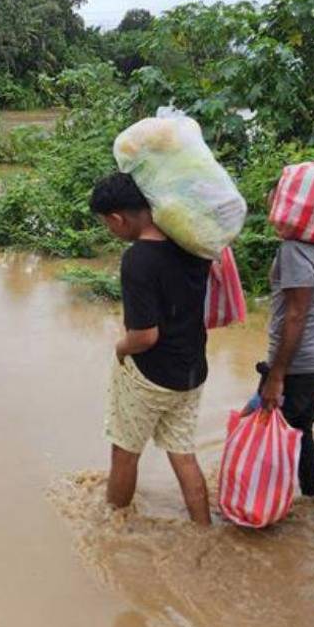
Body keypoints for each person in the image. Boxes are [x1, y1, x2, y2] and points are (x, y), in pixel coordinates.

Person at [90, 172, 213, 525]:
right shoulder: (192, 243)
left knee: (125, 453)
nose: (110, 230)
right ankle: (204, 530)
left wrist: (120, 348)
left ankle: (112, 526)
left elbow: (145, 336)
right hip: (192, 370)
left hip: (151, 375)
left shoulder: (138, 260)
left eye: (106, 224)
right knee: (183, 454)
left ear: (118, 218)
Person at [254, 205, 314, 498]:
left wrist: (276, 376)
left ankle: (263, 516)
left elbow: (296, 315)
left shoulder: (296, 249)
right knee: (302, 433)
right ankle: (311, 500)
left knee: (269, 441)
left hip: (298, 366)